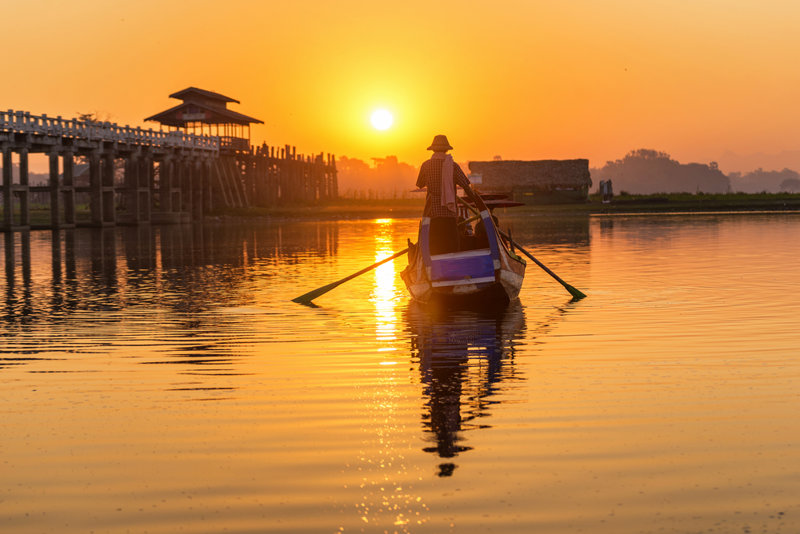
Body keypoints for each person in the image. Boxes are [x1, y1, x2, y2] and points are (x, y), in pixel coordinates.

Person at [416, 135, 476, 255]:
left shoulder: (426, 165)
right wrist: (478, 202)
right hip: (449, 214)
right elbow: (466, 186)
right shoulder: (453, 165)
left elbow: (420, 184)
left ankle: (434, 269)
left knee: (435, 248)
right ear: (447, 150)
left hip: (432, 214)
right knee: (451, 246)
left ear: (433, 149)